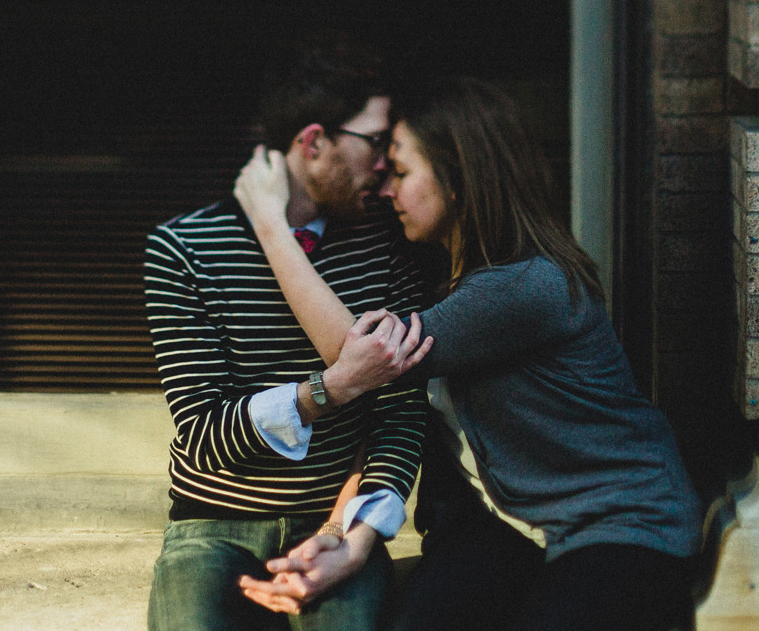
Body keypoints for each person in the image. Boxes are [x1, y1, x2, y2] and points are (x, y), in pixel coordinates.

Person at [234, 75, 702, 631]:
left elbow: (357, 357)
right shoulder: (450, 282)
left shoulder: (525, 287)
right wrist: (347, 536)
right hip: (505, 528)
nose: (387, 192)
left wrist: (269, 224)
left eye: (402, 174)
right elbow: (397, 418)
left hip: (620, 526)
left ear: (457, 182)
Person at [142, 39, 435, 631]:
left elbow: (402, 414)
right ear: (314, 142)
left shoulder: (386, 239)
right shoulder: (185, 248)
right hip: (210, 524)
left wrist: (348, 533)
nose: (386, 163)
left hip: (329, 522)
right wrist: (327, 388)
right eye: (375, 141)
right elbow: (201, 435)